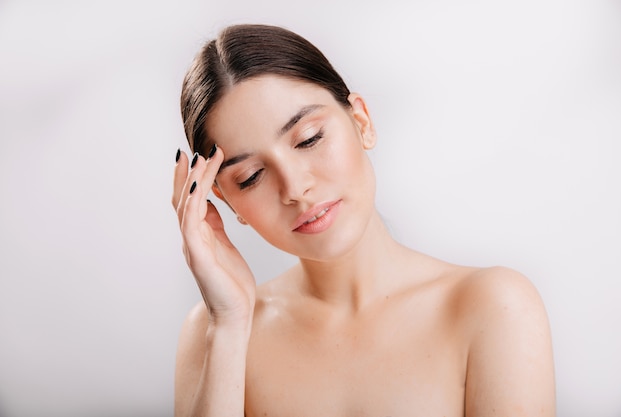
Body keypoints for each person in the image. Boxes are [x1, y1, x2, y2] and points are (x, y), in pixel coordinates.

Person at [171, 23, 555, 417]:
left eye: (308, 139)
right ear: (223, 199)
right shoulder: (214, 332)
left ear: (362, 121)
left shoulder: (495, 306)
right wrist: (229, 327)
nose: (295, 188)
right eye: (250, 176)